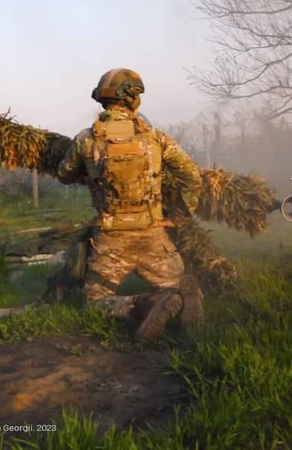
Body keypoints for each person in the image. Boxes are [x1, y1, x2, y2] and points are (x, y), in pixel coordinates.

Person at [56, 68, 204, 342]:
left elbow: (64, 175)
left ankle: (144, 304)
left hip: (112, 240)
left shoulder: (86, 139)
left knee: (95, 302)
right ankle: (178, 295)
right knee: (174, 283)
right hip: (153, 233)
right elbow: (193, 178)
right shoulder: (155, 138)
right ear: (134, 100)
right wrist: (179, 216)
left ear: (103, 101)